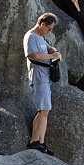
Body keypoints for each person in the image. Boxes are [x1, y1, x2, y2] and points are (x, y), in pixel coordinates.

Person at [23, 13, 61, 156]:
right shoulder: (31, 36)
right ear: (42, 24)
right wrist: (52, 57)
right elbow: (34, 55)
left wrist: (56, 52)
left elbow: (50, 48)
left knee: (45, 110)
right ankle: (34, 141)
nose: (49, 31)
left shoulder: (40, 37)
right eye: (49, 29)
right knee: (43, 110)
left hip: (46, 77)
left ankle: (41, 141)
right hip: (38, 77)